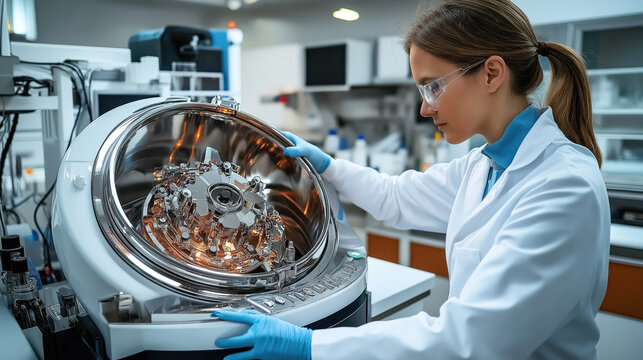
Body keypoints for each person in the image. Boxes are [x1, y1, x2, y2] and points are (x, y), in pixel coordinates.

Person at [211, 0, 610, 359]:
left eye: (434, 86)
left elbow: (469, 339)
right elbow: (396, 197)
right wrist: (327, 166)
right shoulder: (482, 165)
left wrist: (310, 345)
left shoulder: (562, 186)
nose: (424, 107)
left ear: (491, 73)